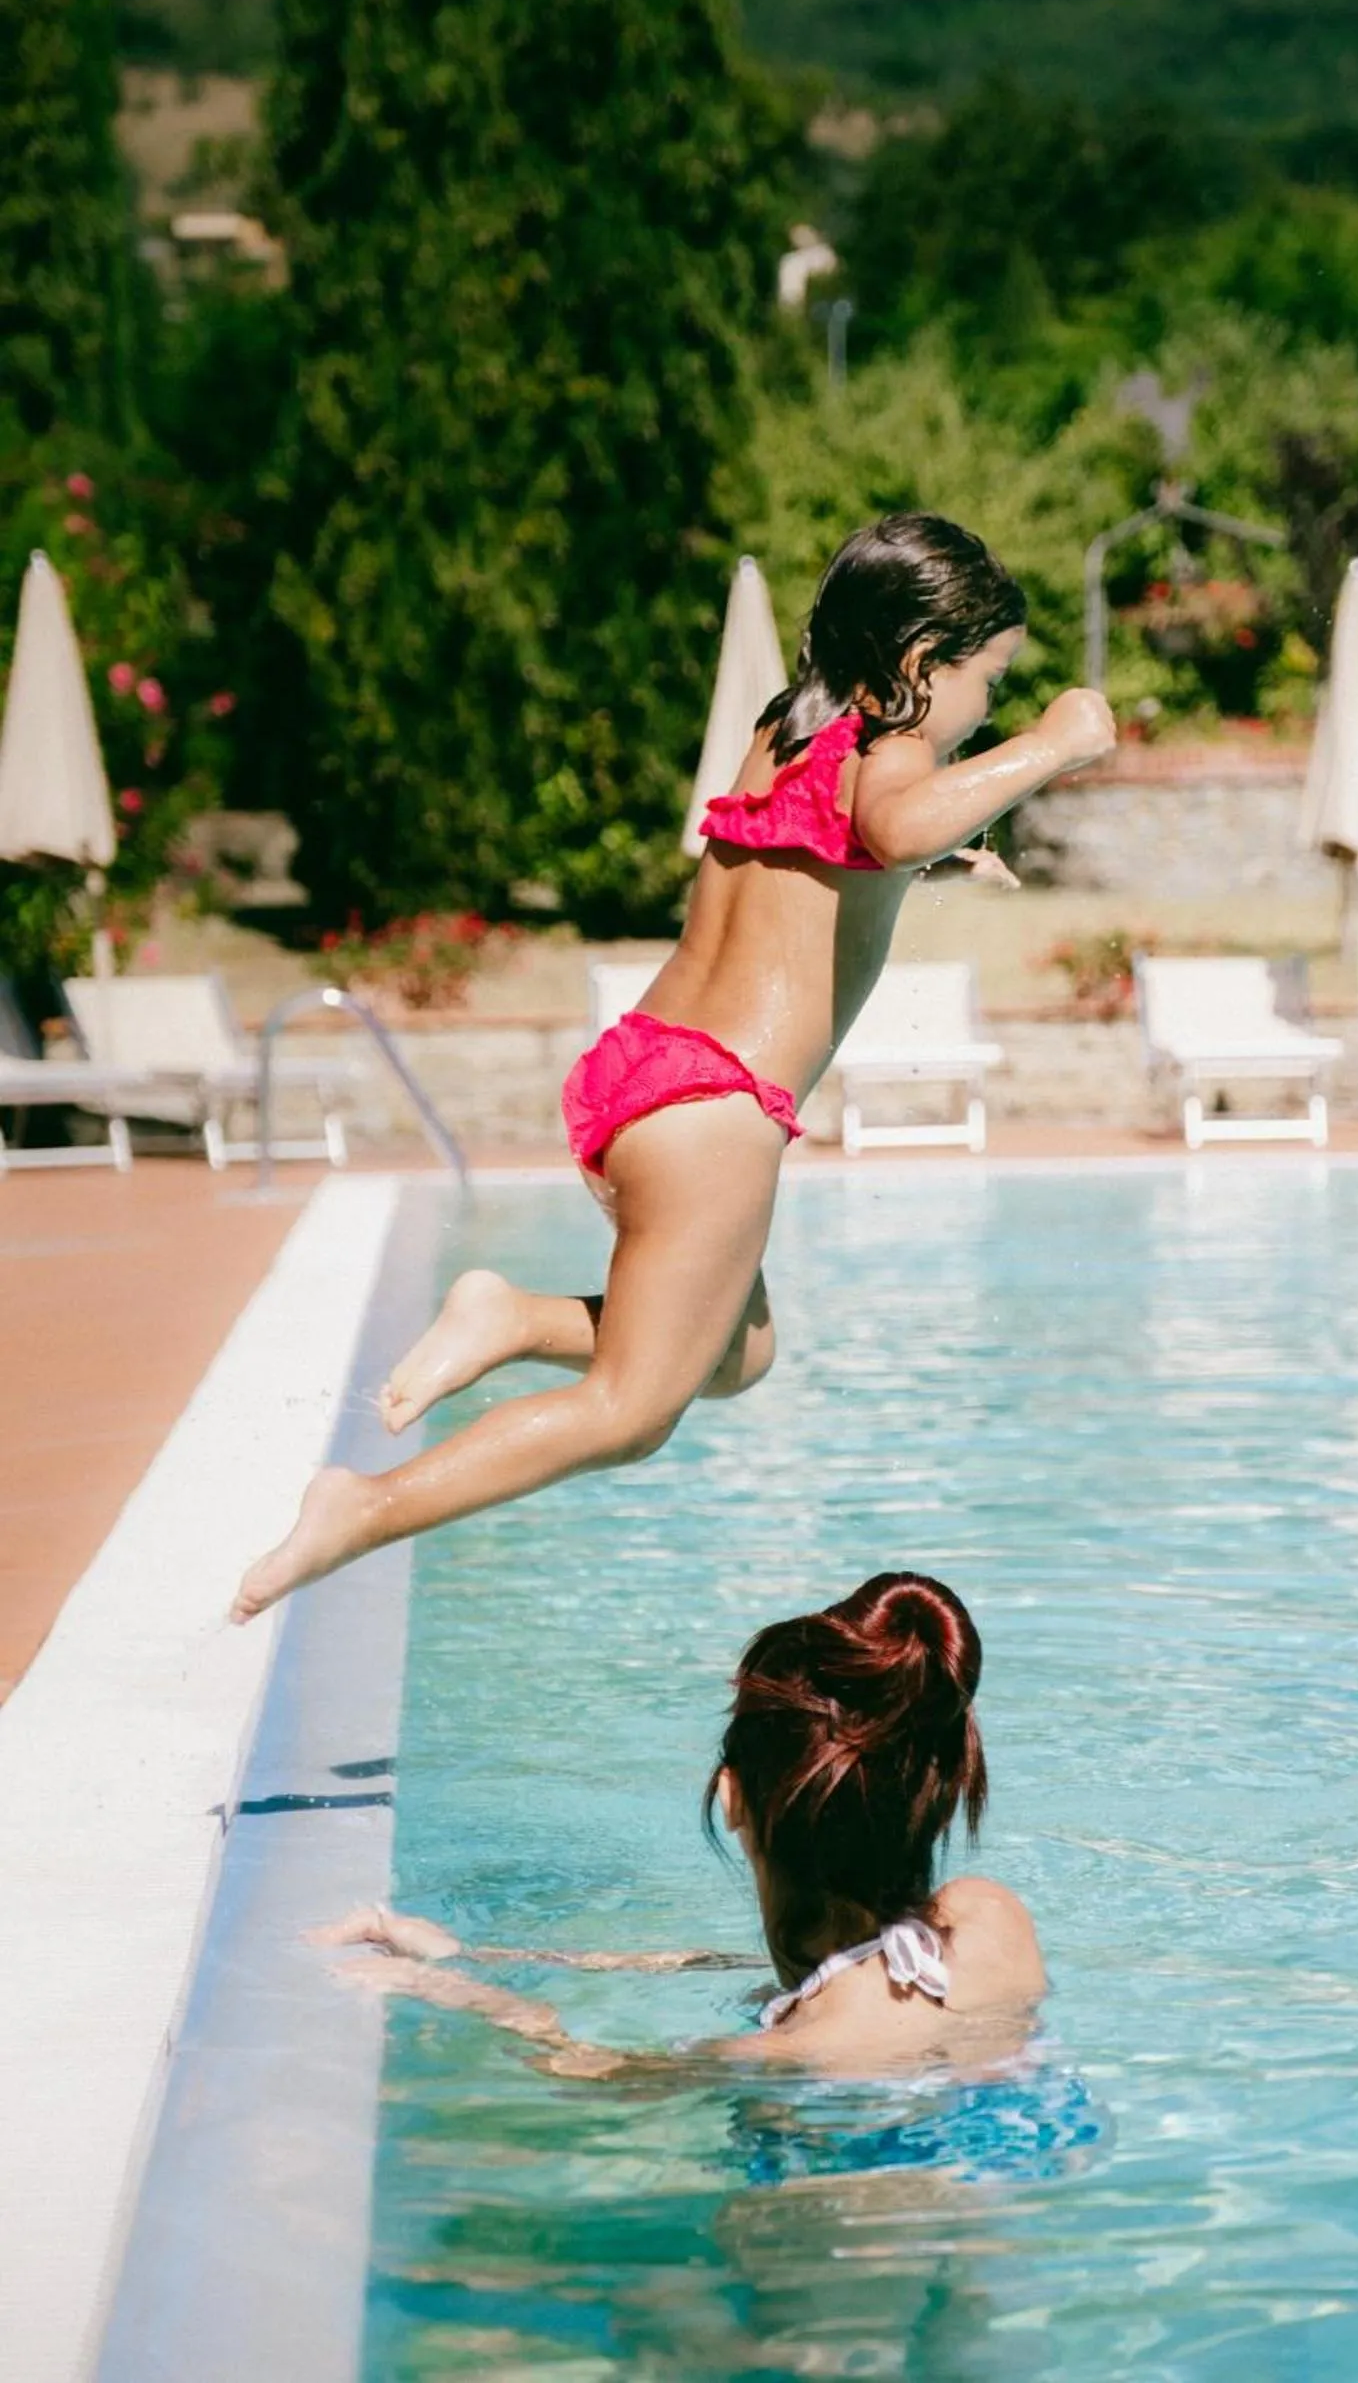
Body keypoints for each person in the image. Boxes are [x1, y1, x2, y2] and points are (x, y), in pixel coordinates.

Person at [232, 515, 1115, 1622]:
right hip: (715, 1109)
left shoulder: (790, 729)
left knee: (737, 1351)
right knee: (631, 1412)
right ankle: (359, 1507)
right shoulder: (894, 753)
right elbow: (890, 827)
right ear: (917, 662)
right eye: (987, 678)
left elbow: (831, 857)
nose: (988, 704)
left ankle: (512, 1315)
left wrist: (939, 857)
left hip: (643, 1069)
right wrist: (1055, 742)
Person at [316, 1571, 1048, 2080]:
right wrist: (472, 1954)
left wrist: (459, 1990)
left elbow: (584, 2069)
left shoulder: (795, 2055)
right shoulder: (992, 1918)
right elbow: (832, 1969)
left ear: (732, 1798)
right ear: (939, 1787)